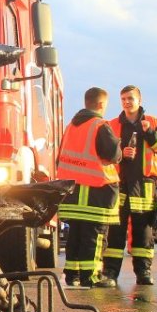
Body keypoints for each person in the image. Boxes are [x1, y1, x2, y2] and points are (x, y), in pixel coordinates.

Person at [102, 85, 157, 286]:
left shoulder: (152, 122)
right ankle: (110, 274)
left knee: (144, 234)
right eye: (123, 98)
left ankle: (144, 273)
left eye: (130, 98)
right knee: (115, 233)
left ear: (139, 100)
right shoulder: (113, 125)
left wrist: (150, 133)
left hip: (144, 188)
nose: (127, 102)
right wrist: (121, 154)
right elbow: (104, 153)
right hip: (120, 186)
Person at [57, 87, 122, 288]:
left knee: (75, 234)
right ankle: (91, 275)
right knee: (94, 235)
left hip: (72, 192)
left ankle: (72, 274)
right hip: (96, 192)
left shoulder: (71, 126)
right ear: (101, 104)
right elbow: (113, 155)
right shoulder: (100, 125)